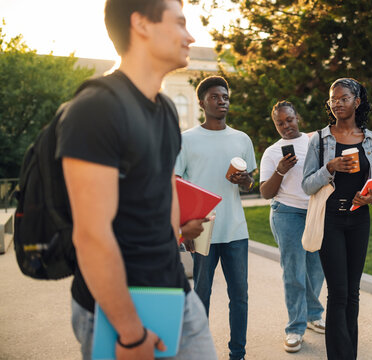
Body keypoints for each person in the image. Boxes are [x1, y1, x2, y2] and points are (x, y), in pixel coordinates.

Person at [57, 0, 218, 359]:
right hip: (118, 309)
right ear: (141, 24)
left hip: (175, 291)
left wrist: (180, 228)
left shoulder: (163, 110)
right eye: (179, 23)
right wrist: (130, 333)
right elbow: (91, 235)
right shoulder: (96, 109)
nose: (190, 36)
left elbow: (158, 196)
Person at [302, 78, 372, 360]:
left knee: (353, 293)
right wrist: (330, 167)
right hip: (331, 221)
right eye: (333, 99)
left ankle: (350, 353)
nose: (337, 103)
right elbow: (306, 185)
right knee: (338, 293)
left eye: (344, 98)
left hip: (359, 220)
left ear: (357, 101)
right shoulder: (320, 139)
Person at [175, 76, 256, 360]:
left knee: (240, 298)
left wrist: (245, 179)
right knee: (201, 297)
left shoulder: (241, 139)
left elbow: (249, 184)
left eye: (225, 96)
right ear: (201, 102)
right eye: (215, 97)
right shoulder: (186, 140)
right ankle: (199, 353)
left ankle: (238, 354)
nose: (222, 101)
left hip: (235, 231)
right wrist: (184, 230)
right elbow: (175, 184)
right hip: (202, 231)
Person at [259, 101, 325, 353]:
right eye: (280, 123)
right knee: (294, 271)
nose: (286, 126)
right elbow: (265, 192)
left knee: (316, 267)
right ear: (275, 125)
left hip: (315, 213)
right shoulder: (272, 153)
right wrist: (280, 170)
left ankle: (312, 314)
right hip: (286, 213)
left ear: (298, 117)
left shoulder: (315, 143)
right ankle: (295, 328)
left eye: (289, 120)